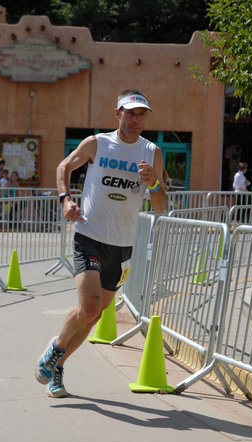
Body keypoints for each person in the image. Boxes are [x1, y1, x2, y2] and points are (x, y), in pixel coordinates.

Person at [34, 89, 167, 398]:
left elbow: (161, 206)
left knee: (95, 314)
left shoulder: (152, 153)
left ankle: (58, 364)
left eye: (142, 114)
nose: (136, 119)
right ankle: (55, 347)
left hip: (122, 246)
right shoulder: (98, 143)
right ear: (117, 113)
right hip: (89, 235)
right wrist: (65, 199)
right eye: (130, 113)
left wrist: (154, 183)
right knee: (89, 305)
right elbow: (63, 167)